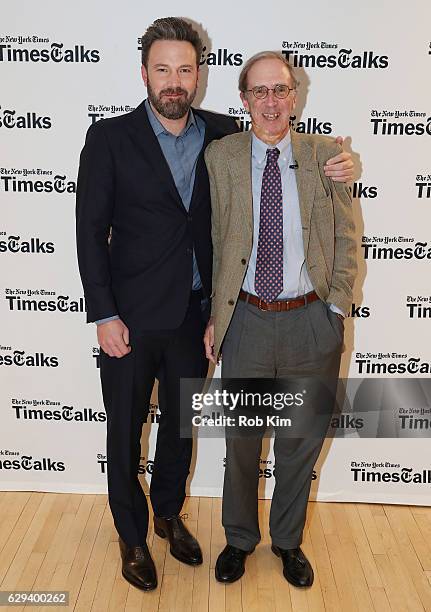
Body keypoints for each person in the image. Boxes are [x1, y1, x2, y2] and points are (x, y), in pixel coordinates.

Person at [76, 17, 354, 591]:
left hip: (194, 318)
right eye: (163, 70)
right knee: (125, 434)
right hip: (127, 320)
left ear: (200, 74)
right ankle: (132, 537)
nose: (174, 81)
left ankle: (170, 516)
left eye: (185, 69)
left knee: (180, 429)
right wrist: (104, 314)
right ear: (145, 73)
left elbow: (296, 157)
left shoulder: (225, 134)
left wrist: (339, 165)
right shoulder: (108, 139)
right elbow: (88, 232)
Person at [204, 51, 357, 588]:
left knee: (299, 443)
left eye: (281, 90)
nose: (271, 101)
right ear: (244, 100)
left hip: (310, 323)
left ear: (295, 96)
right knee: (242, 445)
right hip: (245, 321)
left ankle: (287, 542)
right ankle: (239, 539)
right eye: (260, 91)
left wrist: (335, 307)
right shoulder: (220, 157)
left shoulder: (325, 156)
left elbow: (346, 237)